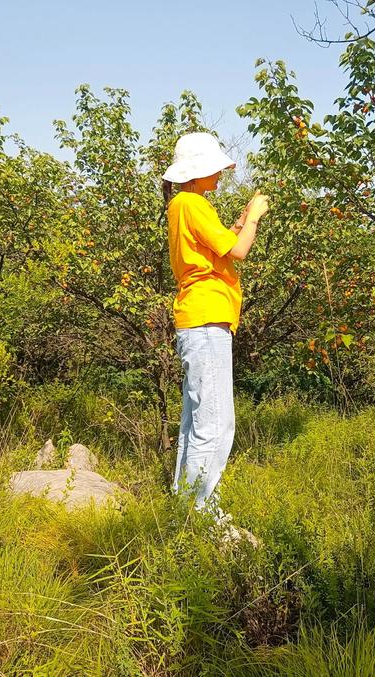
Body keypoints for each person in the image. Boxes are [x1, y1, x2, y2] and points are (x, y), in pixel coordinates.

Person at [162, 131, 269, 518]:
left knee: (196, 420)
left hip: (198, 319)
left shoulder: (185, 204)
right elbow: (239, 250)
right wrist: (255, 218)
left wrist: (241, 219)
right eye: (215, 168)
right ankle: (202, 516)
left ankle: (186, 505)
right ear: (198, 171)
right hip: (207, 320)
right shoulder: (192, 202)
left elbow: (223, 243)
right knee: (216, 422)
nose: (221, 174)